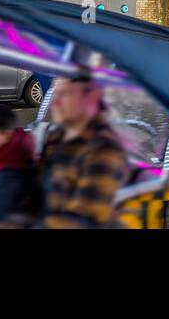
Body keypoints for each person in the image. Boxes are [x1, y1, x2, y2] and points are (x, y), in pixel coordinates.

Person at [24, 74, 130, 229]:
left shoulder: (103, 150)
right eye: (55, 93)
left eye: (64, 94)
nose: (56, 102)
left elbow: (83, 219)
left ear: (92, 96)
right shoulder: (57, 136)